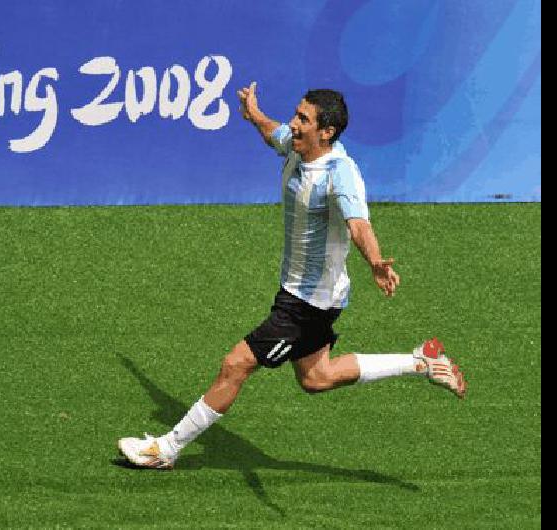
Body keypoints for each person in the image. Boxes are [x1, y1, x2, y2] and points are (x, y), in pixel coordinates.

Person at [117, 84, 467, 470]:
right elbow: (274, 134)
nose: (294, 124)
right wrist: (255, 114)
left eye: (303, 119)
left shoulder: (340, 175)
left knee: (235, 364)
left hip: (307, 302)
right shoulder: (298, 146)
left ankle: (166, 450)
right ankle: (422, 361)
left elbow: (358, 225)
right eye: (296, 114)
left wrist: (376, 263)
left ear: (326, 132)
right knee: (317, 378)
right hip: (308, 294)